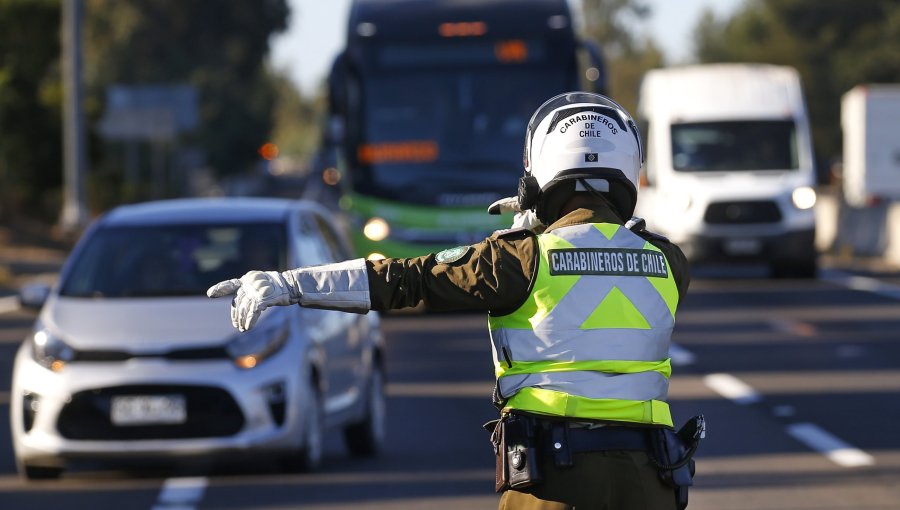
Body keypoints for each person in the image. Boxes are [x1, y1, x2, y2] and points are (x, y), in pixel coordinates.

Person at [208, 92, 697, 509]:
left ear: (541, 166)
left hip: (556, 477)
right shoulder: (669, 261)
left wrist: (291, 284)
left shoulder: (521, 257)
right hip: (651, 477)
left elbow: (406, 279)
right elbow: (603, 259)